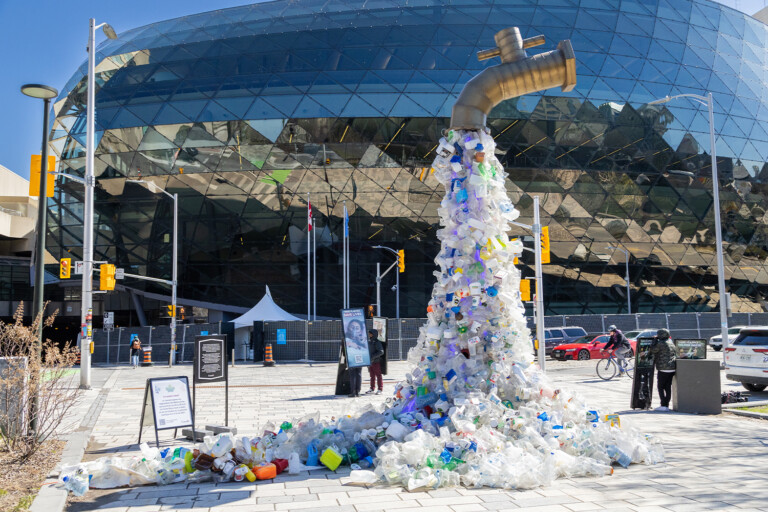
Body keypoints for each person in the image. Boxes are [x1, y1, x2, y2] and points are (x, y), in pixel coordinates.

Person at [650, 328, 676, 411]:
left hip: (663, 368)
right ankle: (666, 405)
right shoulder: (670, 342)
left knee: (660, 386)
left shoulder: (661, 343)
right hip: (672, 368)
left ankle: (663, 405)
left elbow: (653, 350)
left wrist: (654, 341)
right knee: (667, 387)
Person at [364, 329, 385, 395]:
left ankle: (380, 389)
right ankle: (372, 388)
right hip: (370, 362)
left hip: (376, 362)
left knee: (378, 375)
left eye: (370, 333)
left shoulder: (377, 342)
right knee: (372, 376)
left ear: (374, 334)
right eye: (369, 333)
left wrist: (373, 356)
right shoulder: (369, 341)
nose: (369, 334)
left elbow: (381, 351)